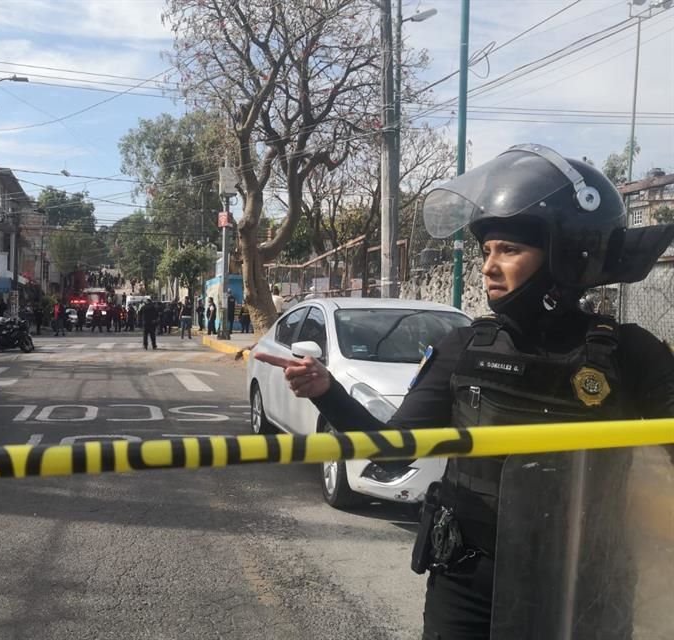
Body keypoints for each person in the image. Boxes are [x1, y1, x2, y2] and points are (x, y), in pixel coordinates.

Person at [256, 144, 674, 639]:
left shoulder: (631, 354)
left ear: (569, 253)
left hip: (584, 587)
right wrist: (326, 391)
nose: (488, 267)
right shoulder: (465, 348)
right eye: (486, 251)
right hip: (469, 581)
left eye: (510, 250)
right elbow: (390, 453)